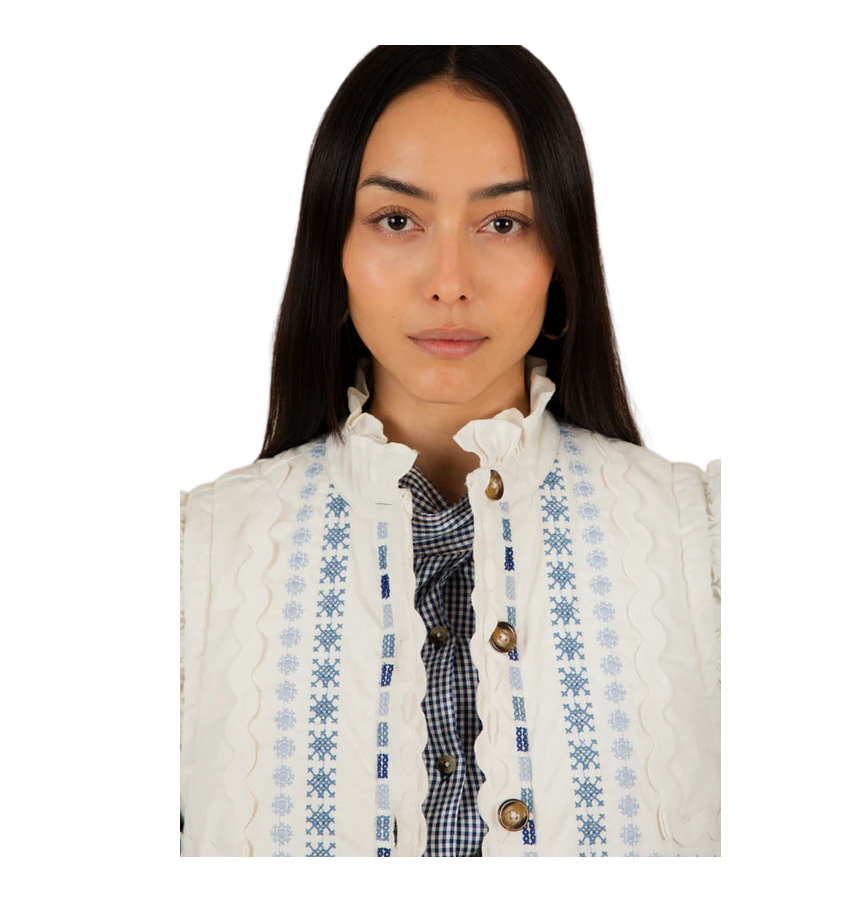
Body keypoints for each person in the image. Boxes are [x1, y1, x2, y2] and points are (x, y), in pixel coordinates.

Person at [180, 46, 720, 857]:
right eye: (397, 220)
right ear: (333, 248)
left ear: (563, 253)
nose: (449, 281)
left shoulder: (699, 542)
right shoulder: (199, 553)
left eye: (503, 223)